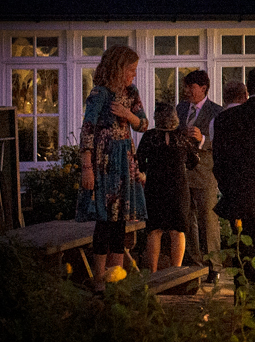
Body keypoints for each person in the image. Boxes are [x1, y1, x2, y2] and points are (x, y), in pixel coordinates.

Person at [77, 43, 146, 282]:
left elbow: (144, 124)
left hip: (124, 160)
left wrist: (128, 115)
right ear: (118, 68)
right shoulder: (100, 93)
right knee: (104, 223)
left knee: (120, 224)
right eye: (131, 69)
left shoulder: (131, 92)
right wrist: (87, 168)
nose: (133, 75)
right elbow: (87, 129)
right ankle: (99, 280)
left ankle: (116, 279)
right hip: (104, 162)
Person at [211, 65, 255, 272]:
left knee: (244, 252)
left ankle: (244, 298)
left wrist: (228, 189)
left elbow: (218, 160)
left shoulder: (225, 118)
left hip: (239, 194)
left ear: (248, 87)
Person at [135, 102, 195, 272]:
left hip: (155, 186)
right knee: (178, 230)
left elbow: (139, 160)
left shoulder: (150, 137)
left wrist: (146, 172)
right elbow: (193, 161)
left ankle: (153, 272)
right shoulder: (182, 137)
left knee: (154, 230)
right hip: (178, 187)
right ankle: (176, 271)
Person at [175, 69, 221, 265]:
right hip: (182, 173)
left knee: (208, 221)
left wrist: (202, 139)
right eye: (186, 86)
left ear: (203, 88)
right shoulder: (180, 109)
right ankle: (194, 263)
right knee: (186, 219)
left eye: (191, 87)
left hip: (205, 173)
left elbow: (221, 142)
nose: (187, 91)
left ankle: (214, 266)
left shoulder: (217, 112)